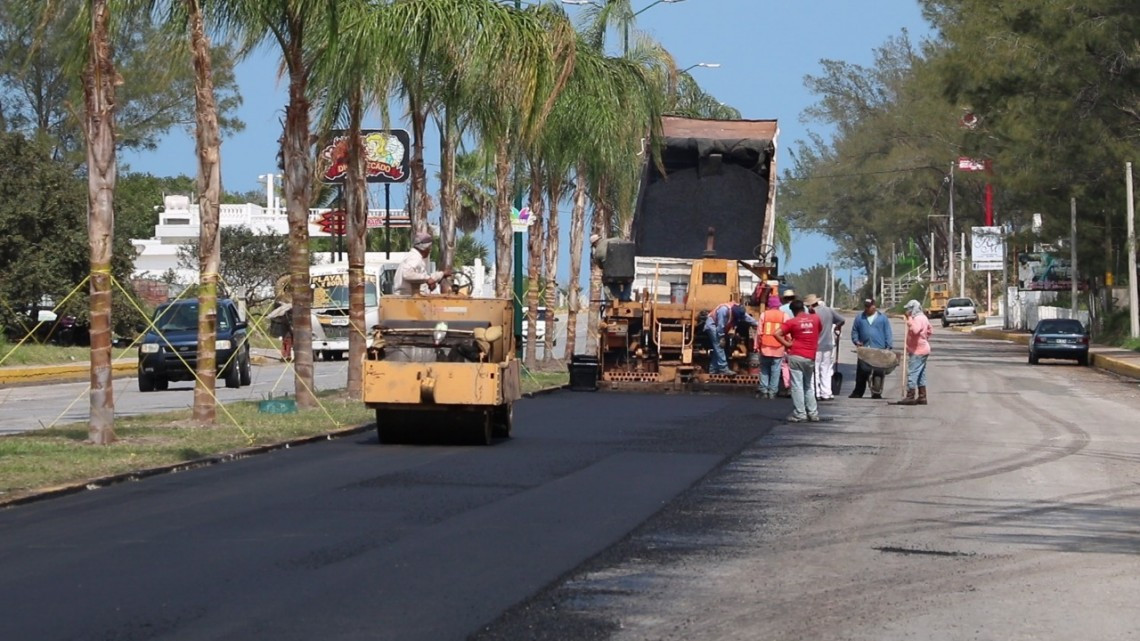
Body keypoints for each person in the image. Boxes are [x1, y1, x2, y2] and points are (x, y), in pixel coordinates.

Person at [774, 299, 823, 422]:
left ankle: (800, 414)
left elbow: (776, 333)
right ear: (803, 308)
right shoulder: (815, 319)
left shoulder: (792, 322)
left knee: (797, 386)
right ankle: (813, 413)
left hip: (796, 355)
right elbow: (819, 330)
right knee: (808, 385)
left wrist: (787, 344)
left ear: (793, 311)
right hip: (810, 356)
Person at [849, 298, 894, 399]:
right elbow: (855, 331)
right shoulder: (859, 318)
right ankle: (858, 392)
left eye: (869, 306)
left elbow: (888, 332)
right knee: (861, 372)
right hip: (864, 348)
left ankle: (876, 392)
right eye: (865, 306)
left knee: (878, 371)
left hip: (878, 348)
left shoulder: (882, 318)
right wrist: (856, 341)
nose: (867, 308)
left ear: (874, 306)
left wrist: (889, 345)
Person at [806, 294, 845, 401]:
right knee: (826, 369)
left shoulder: (811, 313)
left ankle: (816, 393)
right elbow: (842, 320)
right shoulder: (829, 310)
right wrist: (836, 326)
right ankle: (827, 392)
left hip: (816, 345)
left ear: (810, 305)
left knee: (815, 370)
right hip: (828, 344)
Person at [894, 299, 933, 405]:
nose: (908, 311)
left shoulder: (917, 319)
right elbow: (930, 330)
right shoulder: (924, 318)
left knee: (912, 372)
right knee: (921, 373)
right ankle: (922, 396)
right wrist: (924, 338)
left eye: (909, 309)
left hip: (918, 351)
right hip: (923, 349)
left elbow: (915, 330)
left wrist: (909, 319)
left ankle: (910, 396)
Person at [704, 301, 758, 376]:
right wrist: (721, 337)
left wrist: (757, 324)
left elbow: (747, 318)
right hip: (713, 325)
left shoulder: (739, 310)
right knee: (719, 346)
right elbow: (720, 325)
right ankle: (723, 369)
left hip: (721, 327)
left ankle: (713, 370)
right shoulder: (724, 310)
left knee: (719, 349)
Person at [394, 231, 452, 295]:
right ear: (426, 248)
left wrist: (442, 274)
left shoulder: (414, 257)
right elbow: (407, 274)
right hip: (407, 298)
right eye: (429, 248)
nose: (430, 250)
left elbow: (423, 276)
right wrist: (427, 279)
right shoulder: (414, 257)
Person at [755, 295, 787, 398]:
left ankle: (764, 390)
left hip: (765, 347)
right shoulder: (784, 316)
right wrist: (789, 344)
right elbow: (787, 332)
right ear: (778, 305)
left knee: (764, 369)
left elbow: (759, 332)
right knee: (776, 370)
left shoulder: (764, 315)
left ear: (769, 305)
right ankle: (772, 392)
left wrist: (757, 346)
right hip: (779, 347)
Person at [590, 234, 633, 301]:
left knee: (608, 280)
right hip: (628, 273)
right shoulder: (616, 239)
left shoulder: (597, 251)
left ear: (595, 243)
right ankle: (625, 298)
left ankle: (614, 298)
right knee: (627, 281)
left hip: (612, 276)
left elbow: (601, 266)